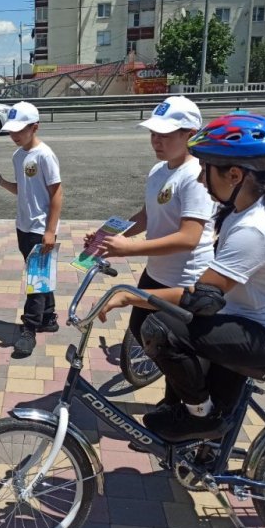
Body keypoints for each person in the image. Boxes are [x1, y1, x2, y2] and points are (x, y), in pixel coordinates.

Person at [97, 113, 265, 442]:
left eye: (205, 170)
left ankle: (197, 418)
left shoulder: (255, 227)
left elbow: (201, 299)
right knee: (215, 403)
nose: (199, 179)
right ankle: (206, 445)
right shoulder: (243, 211)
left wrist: (130, 296)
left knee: (162, 328)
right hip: (242, 319)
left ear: (235, 174)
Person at [92, 96, 216, 406]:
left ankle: (186, 404)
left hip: (185, 280)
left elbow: (189, 237)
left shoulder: (196, 176)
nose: (156, 140)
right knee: (141, 329)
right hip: (157, 272)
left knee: (172, 345)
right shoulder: (160, 170)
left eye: (165, 134)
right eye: (153, 133)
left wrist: (128, 249)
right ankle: (180, 395)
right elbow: (146, 216)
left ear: (190, 134)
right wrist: (105, 236)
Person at [0, 101, 63, 357]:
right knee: (39, 276)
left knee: (35, 281)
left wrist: (50, 230)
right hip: (23, 226)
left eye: (20, 129)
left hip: (41, 228)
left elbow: (56, 194)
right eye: (11, 130)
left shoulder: (44, 155)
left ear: (35, 126)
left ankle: (29, 329)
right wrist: (1, 182)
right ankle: (48, 318)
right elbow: (22, 189)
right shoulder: (18, 156)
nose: (14, 135)